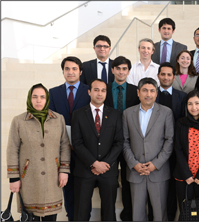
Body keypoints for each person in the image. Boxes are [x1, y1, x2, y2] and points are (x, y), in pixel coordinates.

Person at [7, 83, 70, 221]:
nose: (38, 100)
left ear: (47, 99)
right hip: (28, 179)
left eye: (42, 97)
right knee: (30, 217)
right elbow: (12, 149)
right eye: (35, 97)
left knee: (51, 217)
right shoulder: (19, 121)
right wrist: (14, 178)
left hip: (52, 178)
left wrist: (64, 170)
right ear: (30, 99)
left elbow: (64, 145)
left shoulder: (58, 119)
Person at [122, 78, 174, 221]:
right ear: (138, 93)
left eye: (152, 91)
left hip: (158, 171)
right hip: (135, 171)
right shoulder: (127, 113)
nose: (148, 94)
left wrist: (155, 164)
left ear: (156, 93)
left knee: (159, 213)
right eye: (145, 90)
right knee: (137, 214)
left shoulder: (166, 112)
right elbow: (125, 142)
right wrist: (134, 164)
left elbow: (169, 141)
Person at [72, 79, 123, 221]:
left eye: (103, 90)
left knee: (109, 213)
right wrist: (94, 163)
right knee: (80, 213)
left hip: (108, 170)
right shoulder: (78, 114)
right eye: (96, 90)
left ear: (106, 93)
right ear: (89, 92)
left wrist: (104, 164)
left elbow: (119, 142)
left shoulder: (115, 114)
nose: (99, 93)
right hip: (84, 170)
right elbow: (77, 143)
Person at [48, 56, 91, 221]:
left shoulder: (89, 90)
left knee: (84, 189)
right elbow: (51, 122)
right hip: (62, 150)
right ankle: (71, 217)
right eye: (67, 69)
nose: (71, 72)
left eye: (74, 69)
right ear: (63, 71)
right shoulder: (54, 92)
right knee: (68, 189)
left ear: (80, 71)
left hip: (85, 150)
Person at [104, 55, 140, 221]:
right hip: (107, 143)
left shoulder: (135, 90)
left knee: (128, 180)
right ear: (112, 70)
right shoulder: (103, 89)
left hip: (129, 142)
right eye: (117, 68)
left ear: (129, 71)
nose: (121, 71)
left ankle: (128, 215)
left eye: (124, 68)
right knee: (109, 182)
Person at [153, 62, 187, 220]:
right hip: (153, 148)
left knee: (173, 185)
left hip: (175, 148)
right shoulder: (152, 94)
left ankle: (171, 216)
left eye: (169, 74)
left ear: (174, 77)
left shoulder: (182, 96)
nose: (166, 77)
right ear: (158, 75)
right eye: (163, 74)